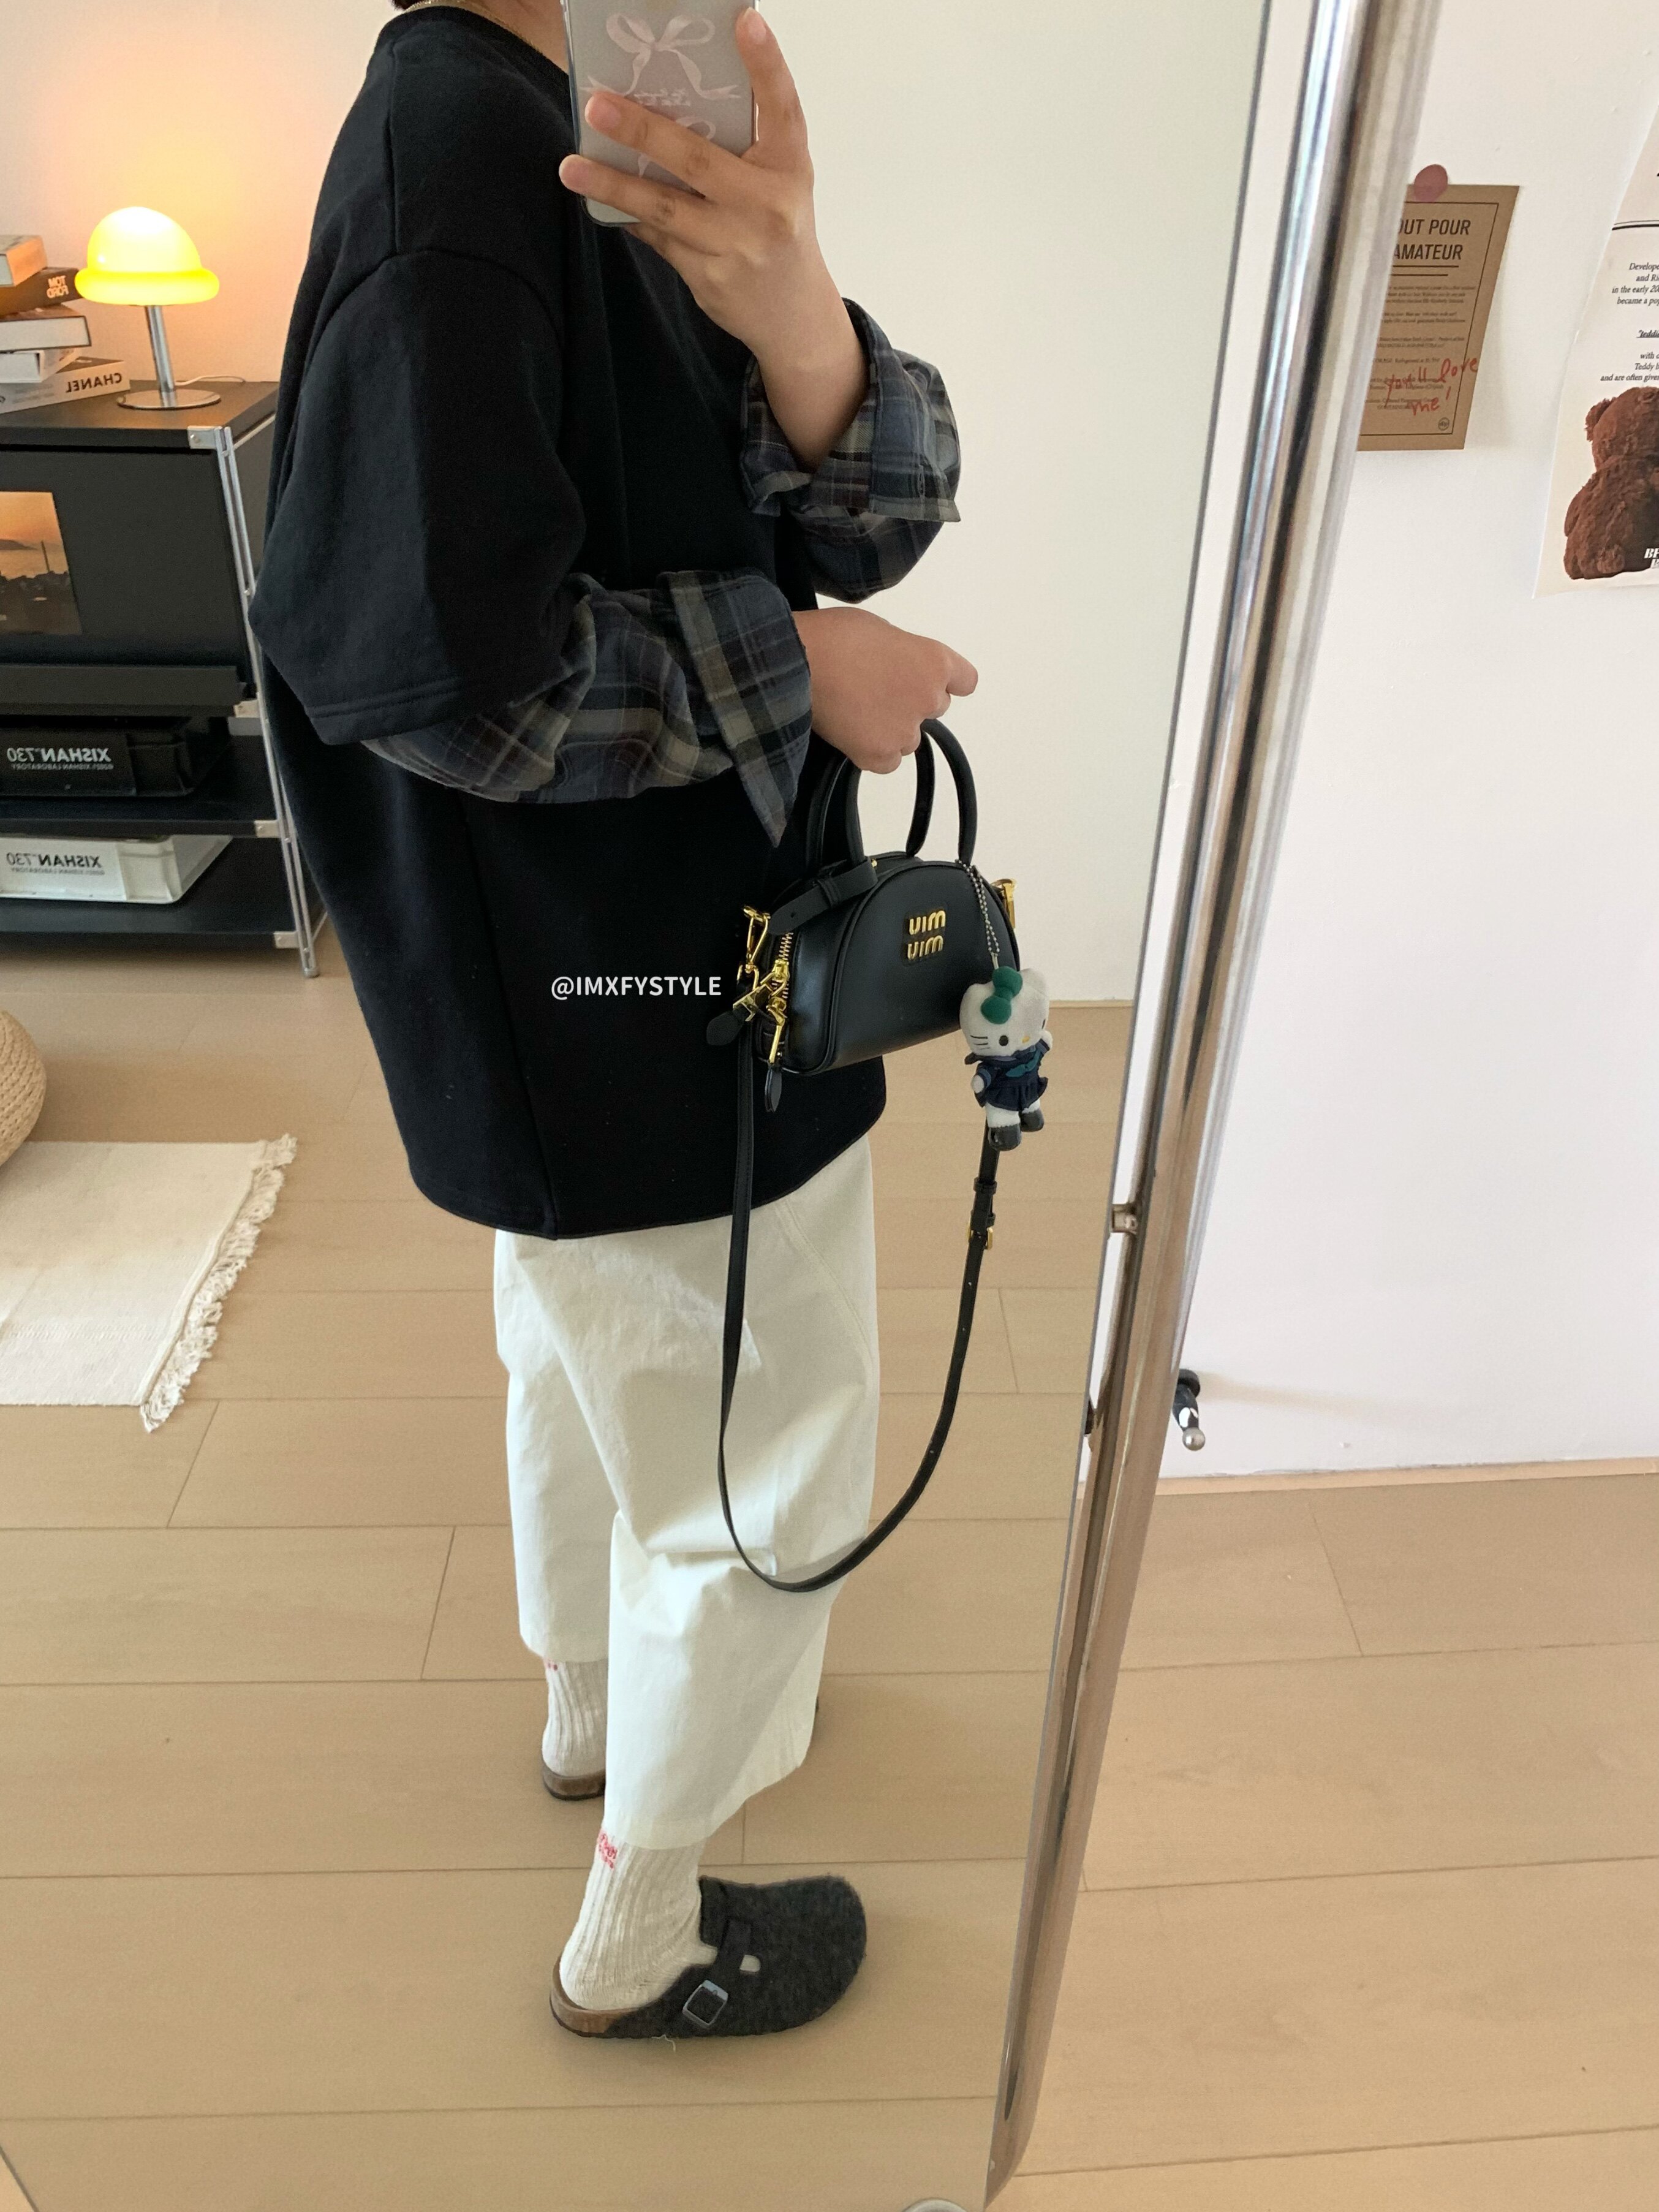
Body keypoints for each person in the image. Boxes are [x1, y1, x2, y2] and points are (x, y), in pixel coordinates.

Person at [250, 0, 975, 2041]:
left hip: (617, 980)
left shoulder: (565, 118)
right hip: (626, 983)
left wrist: (798, 308)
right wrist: (800, 666)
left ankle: (595, 1712)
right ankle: (642, 1926)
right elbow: (438, 678)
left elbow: (839, 497)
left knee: (602, 1360)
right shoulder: (458, 178)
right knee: (759, 1430)